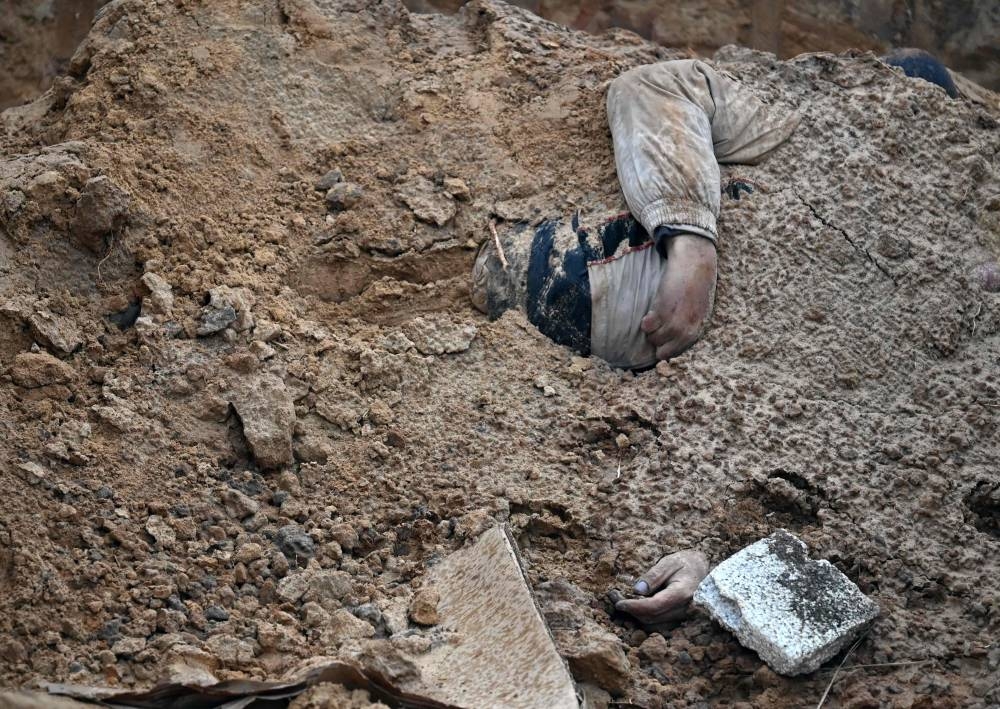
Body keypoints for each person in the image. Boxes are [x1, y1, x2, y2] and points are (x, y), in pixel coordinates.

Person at [471, 59, 800, 370]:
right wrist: (692, 242)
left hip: (633, 306)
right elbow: (655, 88)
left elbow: (656, 87)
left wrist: (692, 243)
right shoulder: (807, 124)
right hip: (626, 299)